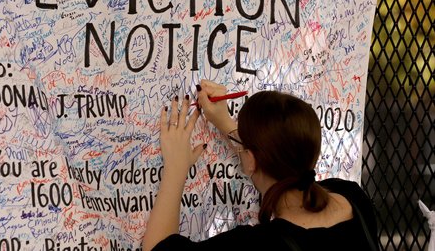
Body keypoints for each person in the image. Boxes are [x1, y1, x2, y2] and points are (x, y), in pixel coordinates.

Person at [143, 79, 378, 250]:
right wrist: (226, 123)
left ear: (251, 159)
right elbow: (279, 161)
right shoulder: (353, 198)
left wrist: (175, 167)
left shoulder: (258, 245)